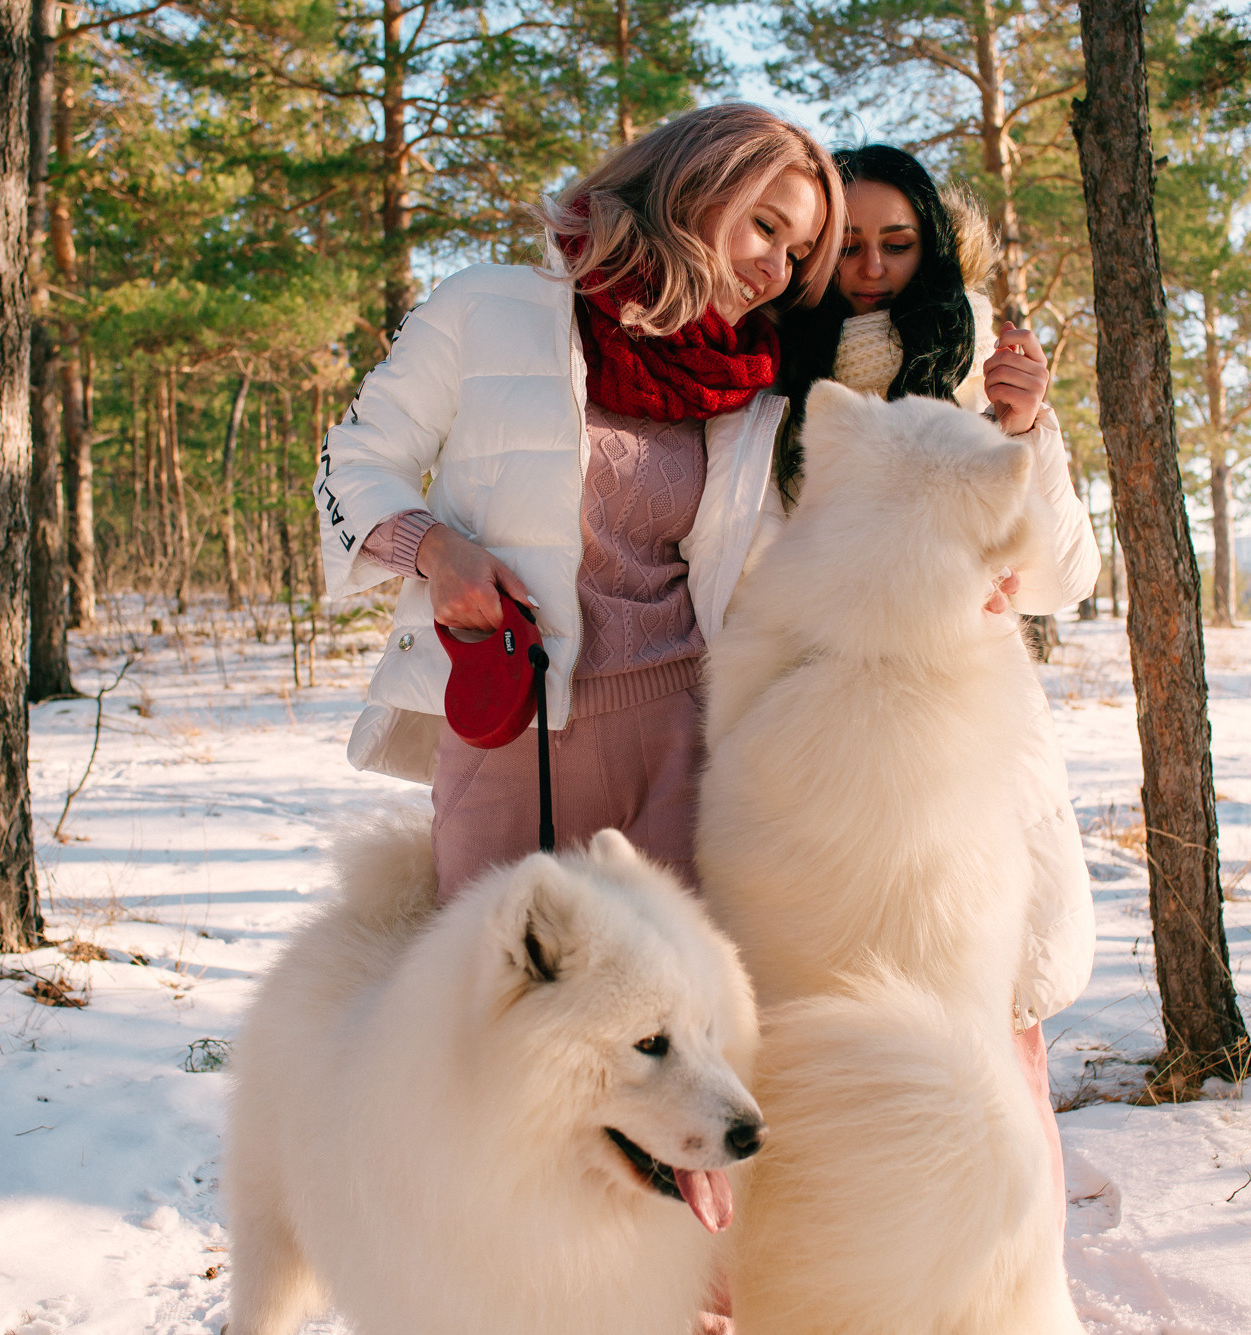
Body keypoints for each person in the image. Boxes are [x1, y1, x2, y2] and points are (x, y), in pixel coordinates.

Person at [316, 102, 844, 903]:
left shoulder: (748, 383)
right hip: (511, 727)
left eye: (798, 253)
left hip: (684, 733)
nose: (778, 268)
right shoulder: (486, 305)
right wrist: (431, 548)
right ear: (694, 189)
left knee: (675, 1015)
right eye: (766, 228)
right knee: (495, 1011)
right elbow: (353, 460)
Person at [777, 144, 1100, 1216]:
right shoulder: (773, 367)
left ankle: (1015, 1280)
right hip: (823, 731)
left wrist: (1020, 427)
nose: (870, 265)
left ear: (931, 243)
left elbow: (1060, 578)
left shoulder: (980, 362)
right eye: (847, 243)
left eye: (895, 242)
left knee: (992, 1023)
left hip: (966, 719)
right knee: (852, 1016)